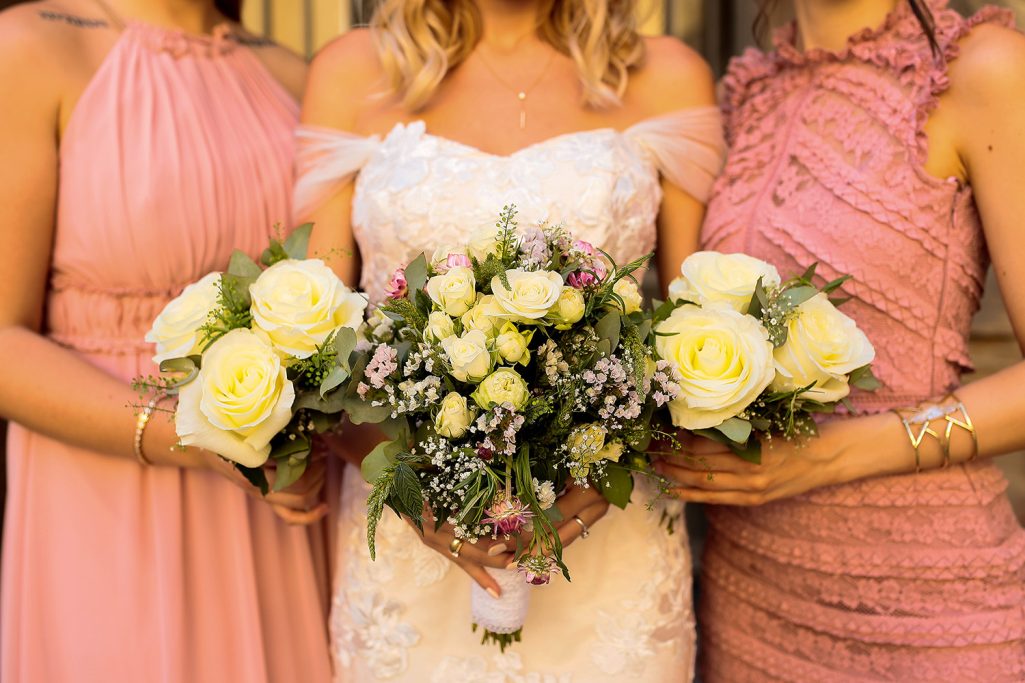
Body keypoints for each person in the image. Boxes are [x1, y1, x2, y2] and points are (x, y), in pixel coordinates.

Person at [294, 0, 725, 679]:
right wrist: (410, 493)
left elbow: (695, 340)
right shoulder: (352, 73)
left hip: (610, 554)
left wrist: (606, 470)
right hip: (409, 558)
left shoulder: (665, 76)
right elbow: (316, 353)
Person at [656, 0, 1025, 680]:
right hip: (748, 604)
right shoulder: (745, 93)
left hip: (931, 609)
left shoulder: (982, 69)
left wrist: (827, 457)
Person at [0, 1, 332, 680]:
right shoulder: (29, 49)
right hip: (106, 494)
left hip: (282, 496)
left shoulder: (292, 76)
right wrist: (192, 438)